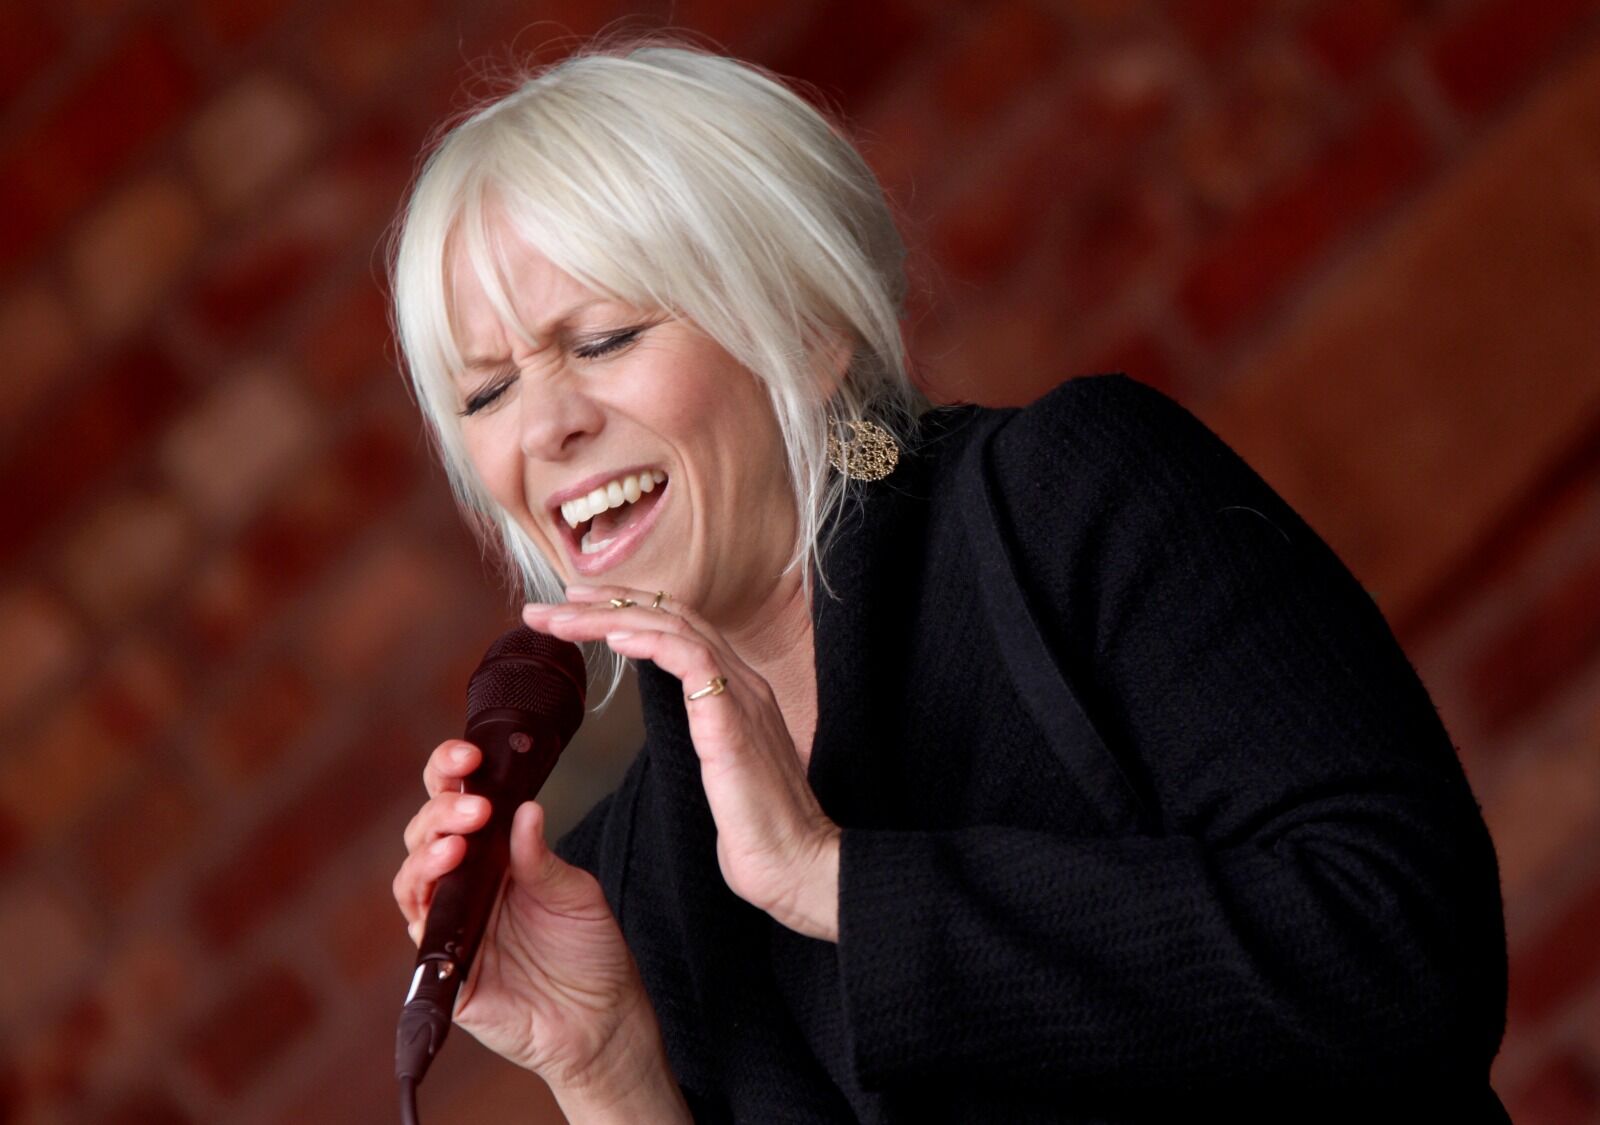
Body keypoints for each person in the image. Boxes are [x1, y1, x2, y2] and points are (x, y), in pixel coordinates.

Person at [387, 38, 1510, 1123]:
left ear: (807, 329)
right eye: (485, 395)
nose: (543, 427)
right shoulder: (630, 878)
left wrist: (832, 880)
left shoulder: (1066, 502)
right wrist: (606, 1070)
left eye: (601, 340)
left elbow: (1407, 955)